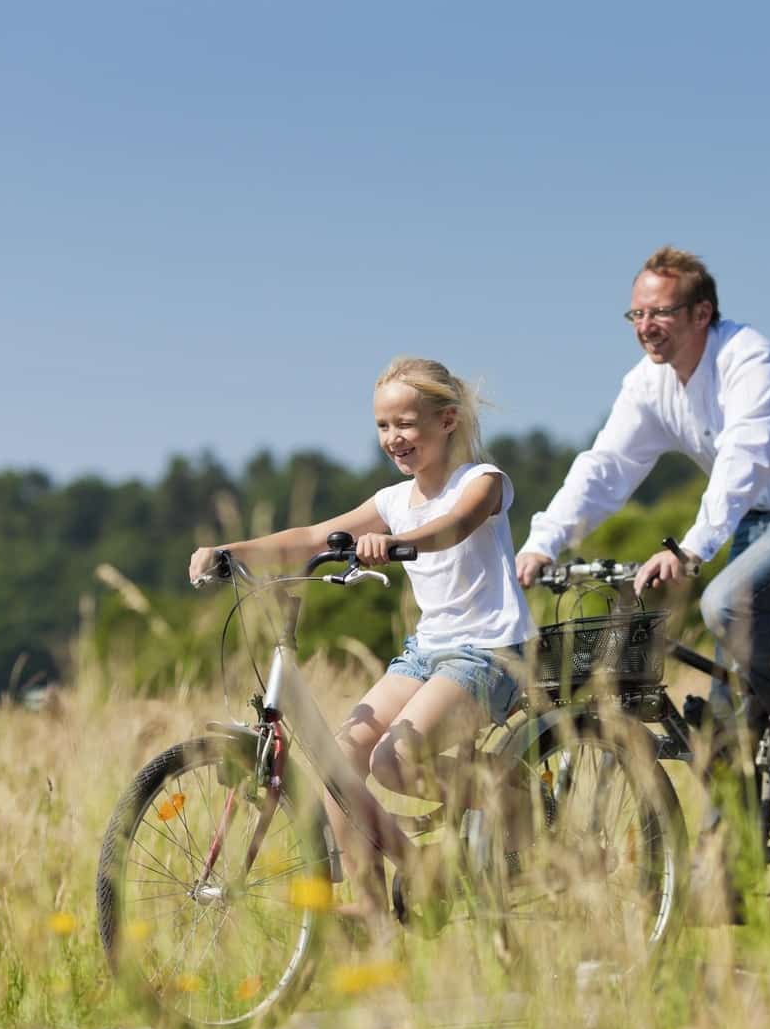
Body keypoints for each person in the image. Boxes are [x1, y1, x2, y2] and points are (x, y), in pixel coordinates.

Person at [189, 357, 534, 925]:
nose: (393, 439)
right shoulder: (392, 499)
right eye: (382, 427)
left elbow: (454, 528)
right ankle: (378, 907)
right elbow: (310, 535)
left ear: (447, 420)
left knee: (395, 762)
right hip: (429, 649)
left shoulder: (483, 482)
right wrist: (230, 551)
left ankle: (511, 797)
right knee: (340, 758)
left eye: (405, 424)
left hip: (490, 651)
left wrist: (401, 542)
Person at [515, 246, 770, 743]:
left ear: (701, 313)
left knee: (727, 604)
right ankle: (725, 815)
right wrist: (544, 542)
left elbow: (744, 457)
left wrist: (693, 548)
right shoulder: (647, 384)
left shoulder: (748, 359)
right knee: (729, 724)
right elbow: (607, 468)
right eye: (637, 314)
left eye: (660, 312)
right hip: (762, 519)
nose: (645, 326)